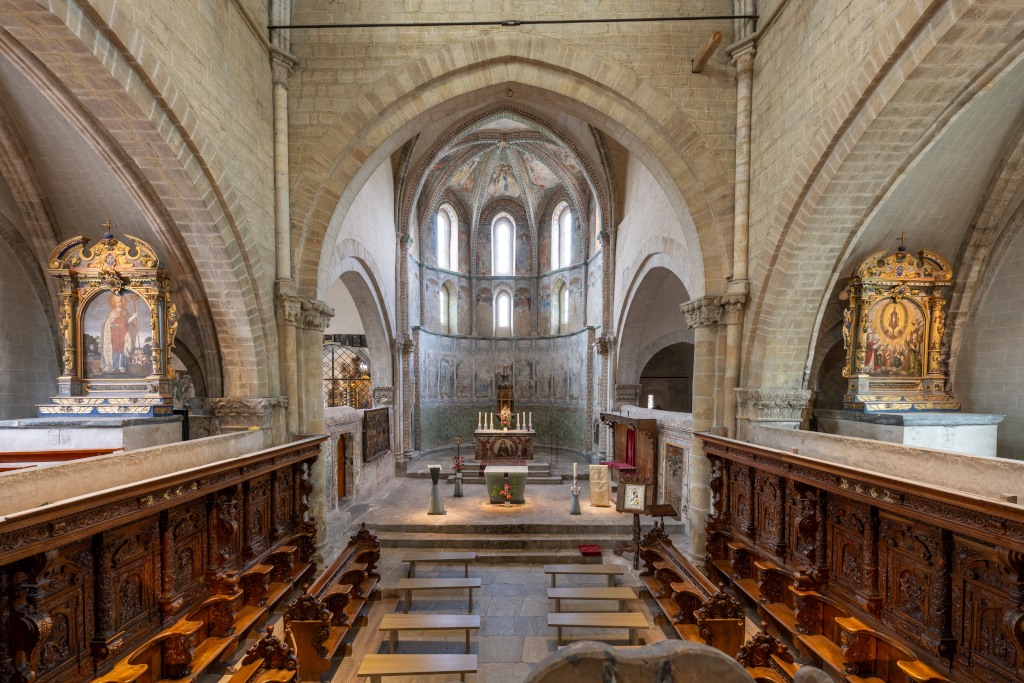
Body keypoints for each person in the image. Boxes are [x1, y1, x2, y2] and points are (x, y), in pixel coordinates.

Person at [101, 294, 138, 373]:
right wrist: (114, 324)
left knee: (123, 350)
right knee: (115, 350)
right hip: (115, 335)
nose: (119, 303)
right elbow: (108, 323)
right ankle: (114, 366)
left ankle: (121, 366)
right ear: (114, 303)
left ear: (123, 302)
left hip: (123, 334)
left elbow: (127, 322)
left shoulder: (125, 312)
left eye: (121, 302)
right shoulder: (112, 312)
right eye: (117, 302)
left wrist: (133, 317)